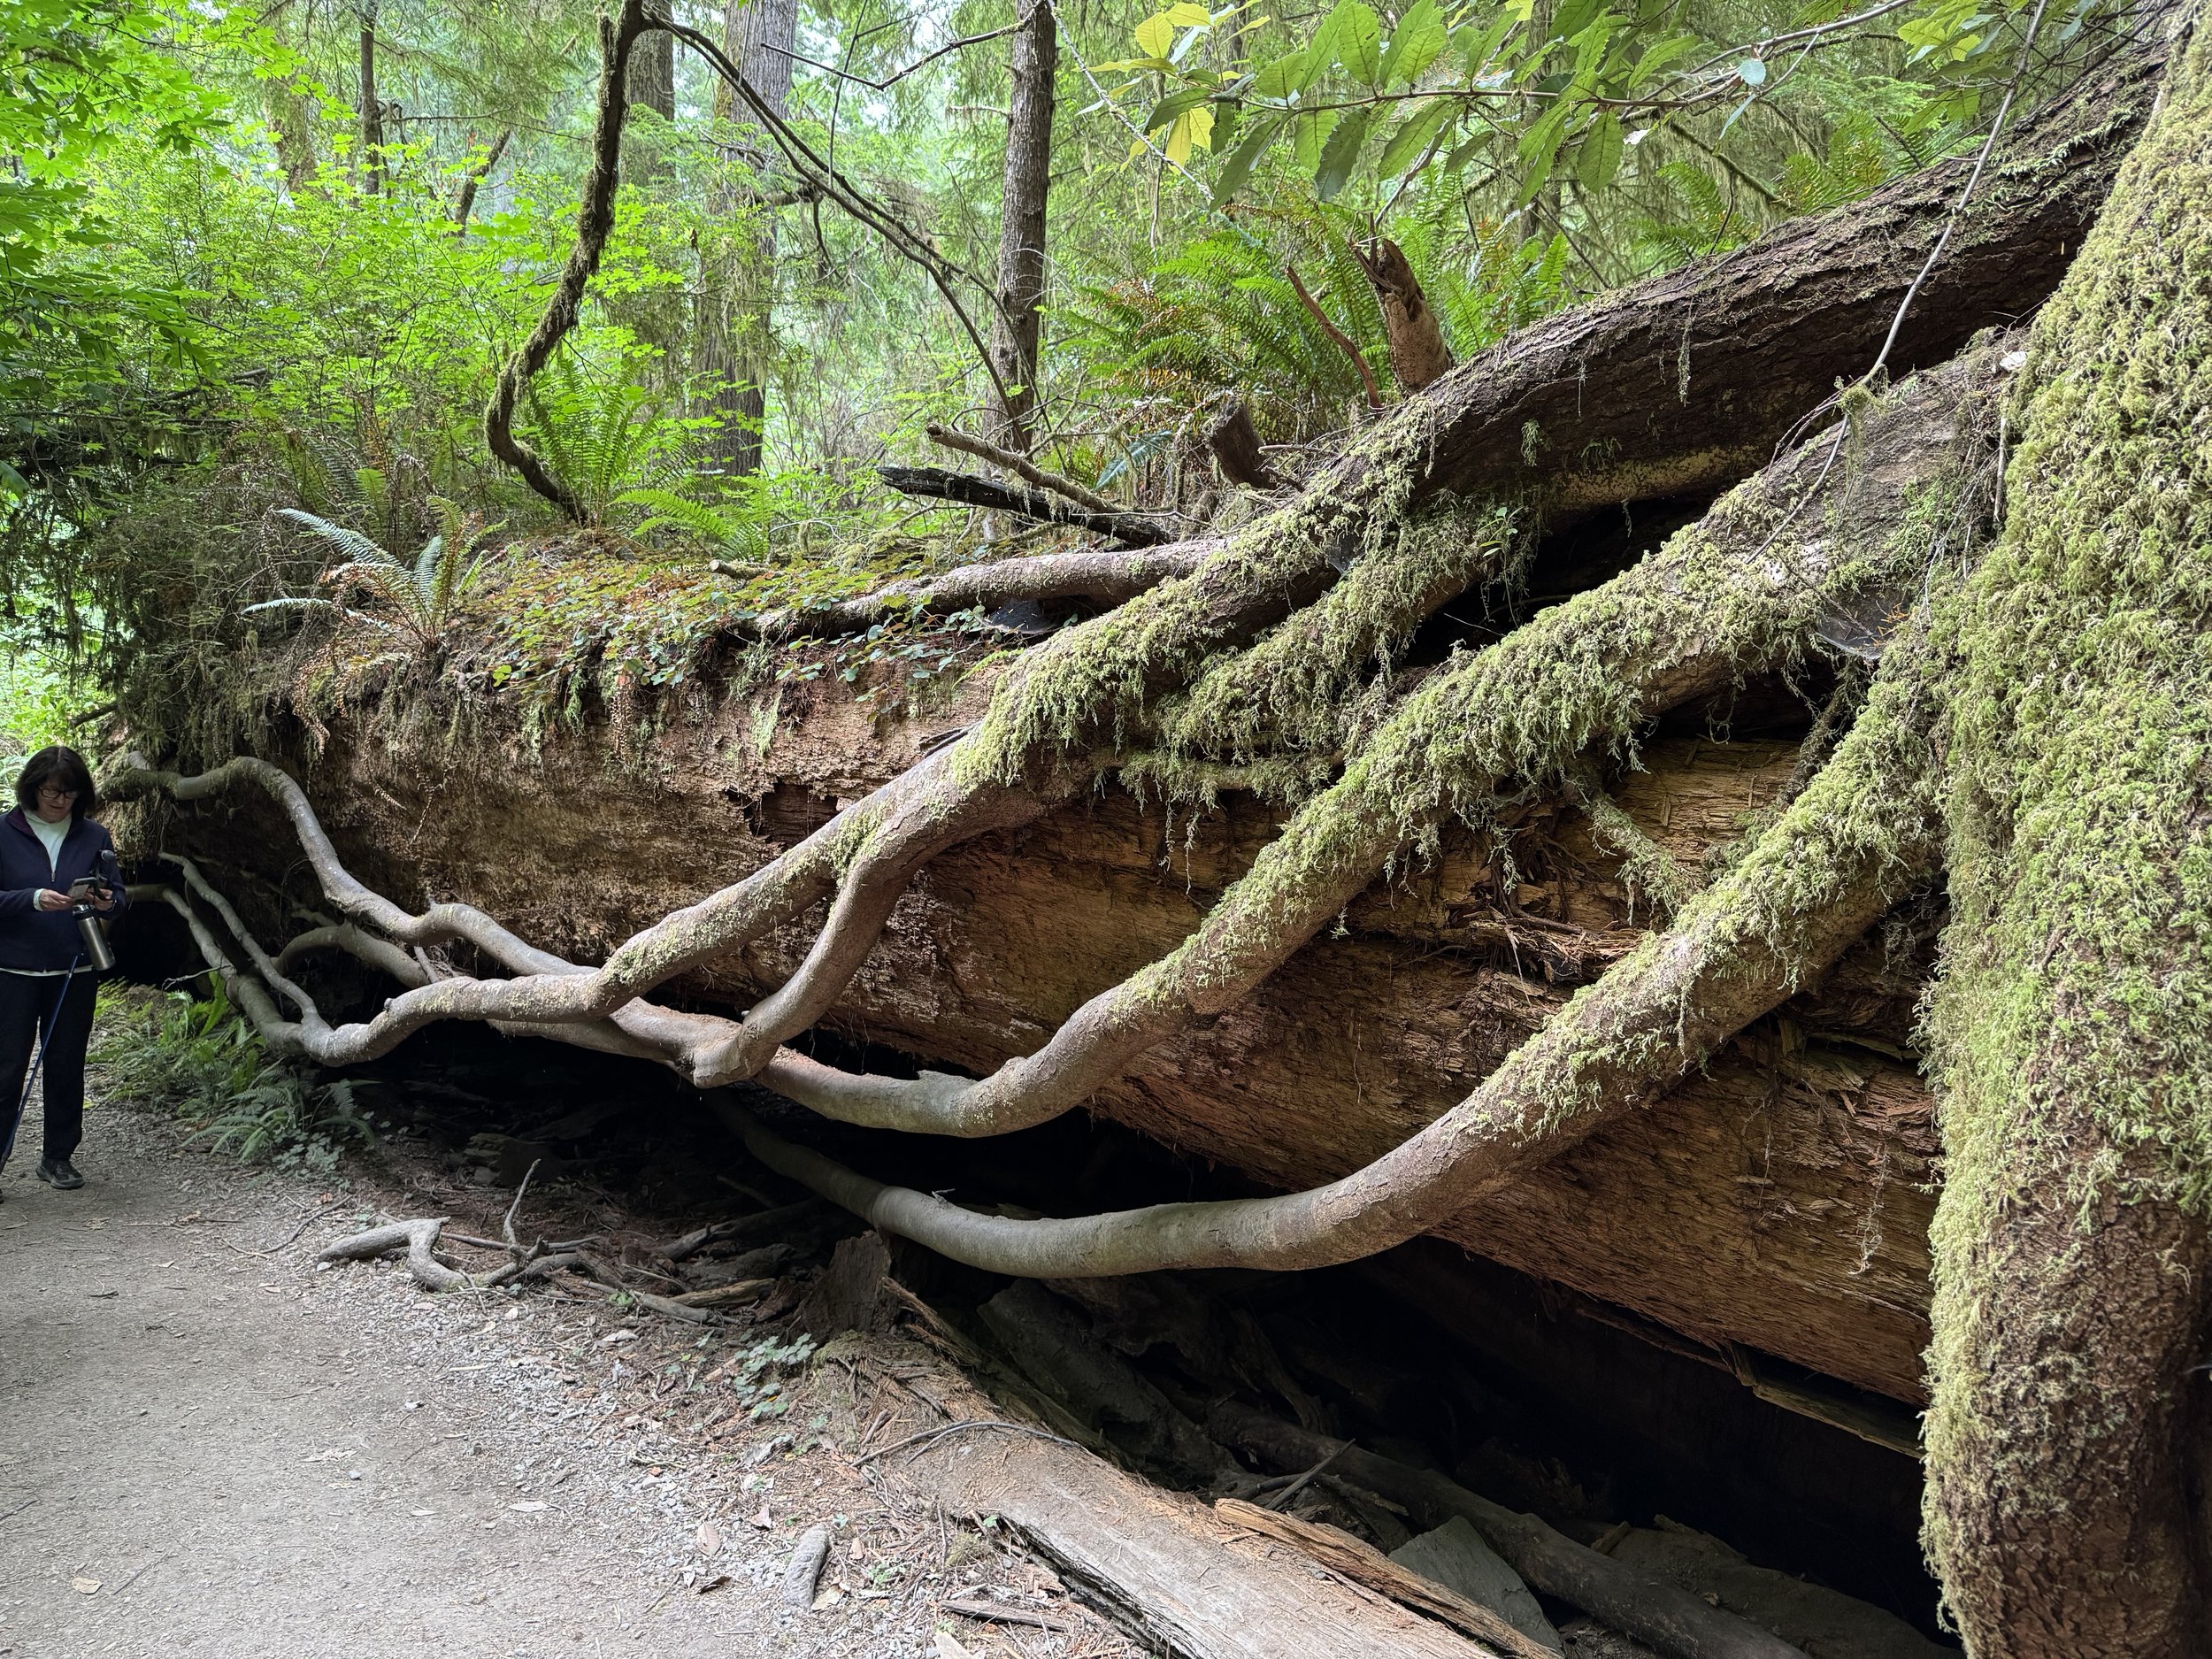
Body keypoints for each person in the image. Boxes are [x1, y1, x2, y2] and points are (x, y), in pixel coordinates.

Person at [0, 746, 126, 1194]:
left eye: (69, 793)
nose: (58, 801)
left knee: (67, 1063)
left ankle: (58, 1157)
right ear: (31, 788)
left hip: (73, 970)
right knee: (7, 1065)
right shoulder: (4, 831)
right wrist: (31, 899)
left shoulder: (94, 835)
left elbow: (117, 893)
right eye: (50, 791)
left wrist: (107, 900)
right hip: (11, 971)